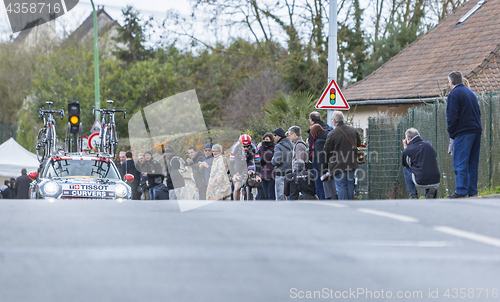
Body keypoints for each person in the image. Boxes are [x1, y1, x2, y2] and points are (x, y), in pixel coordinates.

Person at [446, 71, 482, 198]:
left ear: (451, 82)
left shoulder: (454, 94)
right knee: (472, 163)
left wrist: (452, 133)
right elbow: (478, 112)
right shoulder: (471, 93)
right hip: (476, 131)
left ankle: (461, 191)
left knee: (460, 162)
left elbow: (451, 116)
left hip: (463, 132)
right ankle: (472, 191)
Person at [324, 111, 361, 200]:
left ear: (334, 121)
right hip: (352, 163)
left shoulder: (332, 134)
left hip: (338, 164)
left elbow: (326, 149)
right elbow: (358, 144)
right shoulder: (353, 130)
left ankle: (344, 204)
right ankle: (350, 203)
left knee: (341, 186)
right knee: (350, 185)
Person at [401, 128, 440, 199]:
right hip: (436, 180)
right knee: (428, 167)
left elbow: (406, 164)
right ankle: (432, 191)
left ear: (408, 138)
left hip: (421, 180)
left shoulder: (408, 150)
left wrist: (406, 148)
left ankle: (413, 195)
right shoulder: (428, 144)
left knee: (406, 170)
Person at [307, 112, 333, 199]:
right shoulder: (329, 129)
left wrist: (310, 158)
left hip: (317, 161)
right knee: (329, 183)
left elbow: (311, 147)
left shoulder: (313, 131)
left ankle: (322, 201)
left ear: (311, 120)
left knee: (319, 183)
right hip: (330, 160)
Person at [229, 134, 261, 200]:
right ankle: (236, 204)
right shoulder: (235, 147)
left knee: (251, 173)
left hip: (249, 161)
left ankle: (250, 190)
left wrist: (257, 175)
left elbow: (257, 162)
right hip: (238, 163)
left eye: (247, 146)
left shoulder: (253, 147)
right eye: (244, 146)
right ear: (240, 144)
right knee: (237, 185)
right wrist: (234, 175)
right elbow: (231, 164)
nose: (245, 148)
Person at [310, 124, 337, 200]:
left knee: (323, 189)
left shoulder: (319, 141)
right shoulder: (328, 136)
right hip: (333, 165)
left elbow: (321, 157)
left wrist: (323, 171)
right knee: (333, 188)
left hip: (324, 168)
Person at [271, 127, 294, 200]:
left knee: (280, 197)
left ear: (279, 136)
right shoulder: (292, 145)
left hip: (280, 174)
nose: (273, 137)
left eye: (275, 135)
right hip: (291, 174)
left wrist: (272, 160)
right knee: (290, 195)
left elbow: (276, 161)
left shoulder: (278, 146)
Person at [258, 133, 276, 200]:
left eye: (267, 139)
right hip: (263, 173)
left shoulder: (274, 148)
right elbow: (258, 157)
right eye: (264, 139)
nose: (266, 141)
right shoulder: (261, 148)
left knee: (271, 194)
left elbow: (271, 157)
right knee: (265, 195)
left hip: (271, 174)